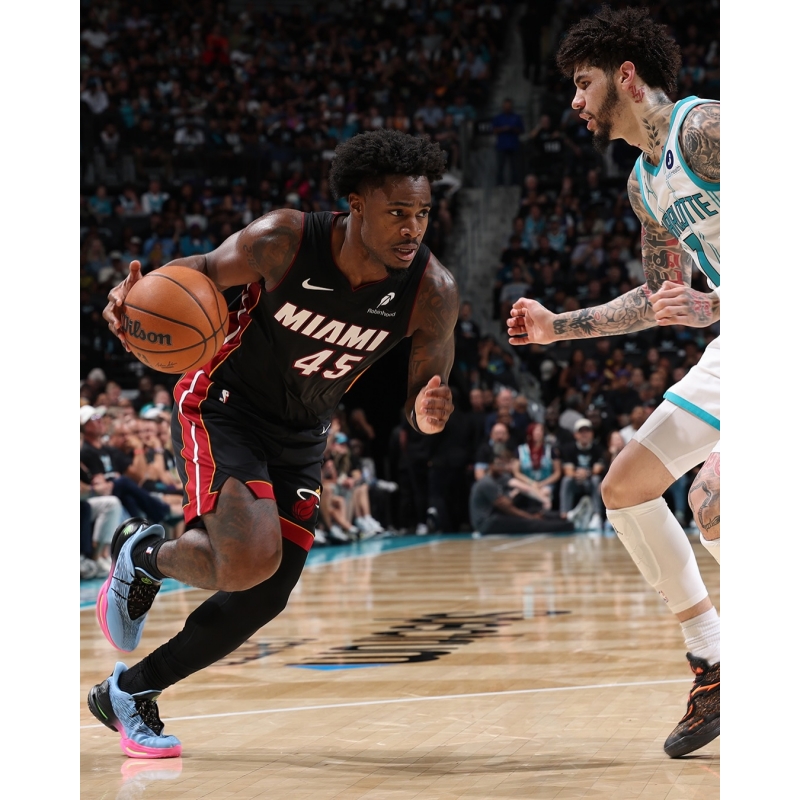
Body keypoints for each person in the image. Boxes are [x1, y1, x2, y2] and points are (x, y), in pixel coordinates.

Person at [90, 129, 459, 758]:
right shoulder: (285, 239)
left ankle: (129, 691)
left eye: (422, 213)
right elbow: (200, 272)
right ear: (356, 205)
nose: (412, 228)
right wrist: (135, 296)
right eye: (398, 211)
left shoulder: (432, 290)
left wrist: (428, 414)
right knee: (248, 560)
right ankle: (142, 553)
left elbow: (424, 397)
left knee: (265, 593)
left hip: (304, 432)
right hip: (226, 402)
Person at [507, 6, 720, 758]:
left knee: (715, 501)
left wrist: (717, 303)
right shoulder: (643, 183)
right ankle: (715, 661)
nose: (574, 100)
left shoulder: (705, 131)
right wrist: (555, 326)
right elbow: (660, 297)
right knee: (626, 487)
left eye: (583, 82)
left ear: (626, 77)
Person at [469, 450, 590, 535]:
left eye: (503, 464)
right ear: (490, 466)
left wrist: (542, 499)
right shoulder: (487, 482)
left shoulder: (501, 477)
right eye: (498, 464)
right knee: (530, 523)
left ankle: (568, 516)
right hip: (487, 523)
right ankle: (572, 525)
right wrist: (530, 518)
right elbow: (507, 508)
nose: (502, 467)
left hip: (498, 514)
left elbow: (522, 488)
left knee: (535, 511)